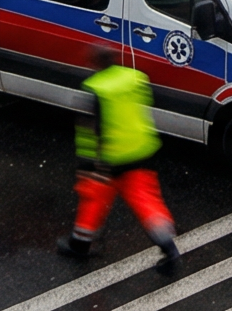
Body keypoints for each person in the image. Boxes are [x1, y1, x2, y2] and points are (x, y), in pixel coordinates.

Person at [57, 56, 181, 274]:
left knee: (93, 197)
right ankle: (169, 249)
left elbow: (89, 130)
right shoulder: (135, 78)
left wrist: (88, 164)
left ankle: (80, 244)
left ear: (95, 64)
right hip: (141, 151)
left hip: (111, 157)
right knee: (146, 202)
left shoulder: (96, 87)